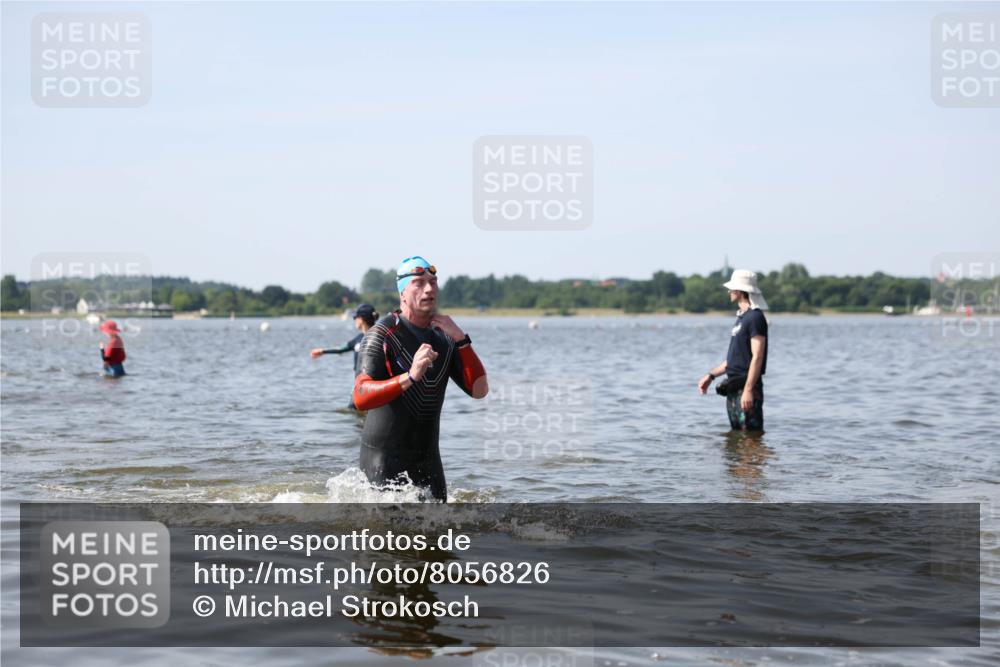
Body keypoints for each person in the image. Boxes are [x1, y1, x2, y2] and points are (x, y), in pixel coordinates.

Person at [352, 256, 488, 501]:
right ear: (402, 293)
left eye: (433, 282)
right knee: (389, 538)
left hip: (428, 461)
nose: (429, 288)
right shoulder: (382, 334)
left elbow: (479, 390)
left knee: (442, 536)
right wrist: (410, 377)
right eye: (419, 282)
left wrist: (461, 340)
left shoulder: (446, 337)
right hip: (383, 461)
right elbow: (361, 397)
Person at [698, 270, 769, 431]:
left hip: (747, 387)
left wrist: (749, 390)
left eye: (731, 288)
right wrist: (711, 376)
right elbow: (733, 359)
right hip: (734, 387)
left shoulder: (755, 317)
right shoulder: (741, 318)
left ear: (739, 291)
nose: (729, 292)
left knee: (751, 439)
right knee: (736, 440)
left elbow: (758, 356)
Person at [311, 304, 379, 409]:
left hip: (373, 385)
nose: (354, 320)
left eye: (354, 318)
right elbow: (341, 349)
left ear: (361, 319)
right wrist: (322, 351)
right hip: (359, 385)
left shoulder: (379, 337)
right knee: (352, 409)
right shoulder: (358, 339)